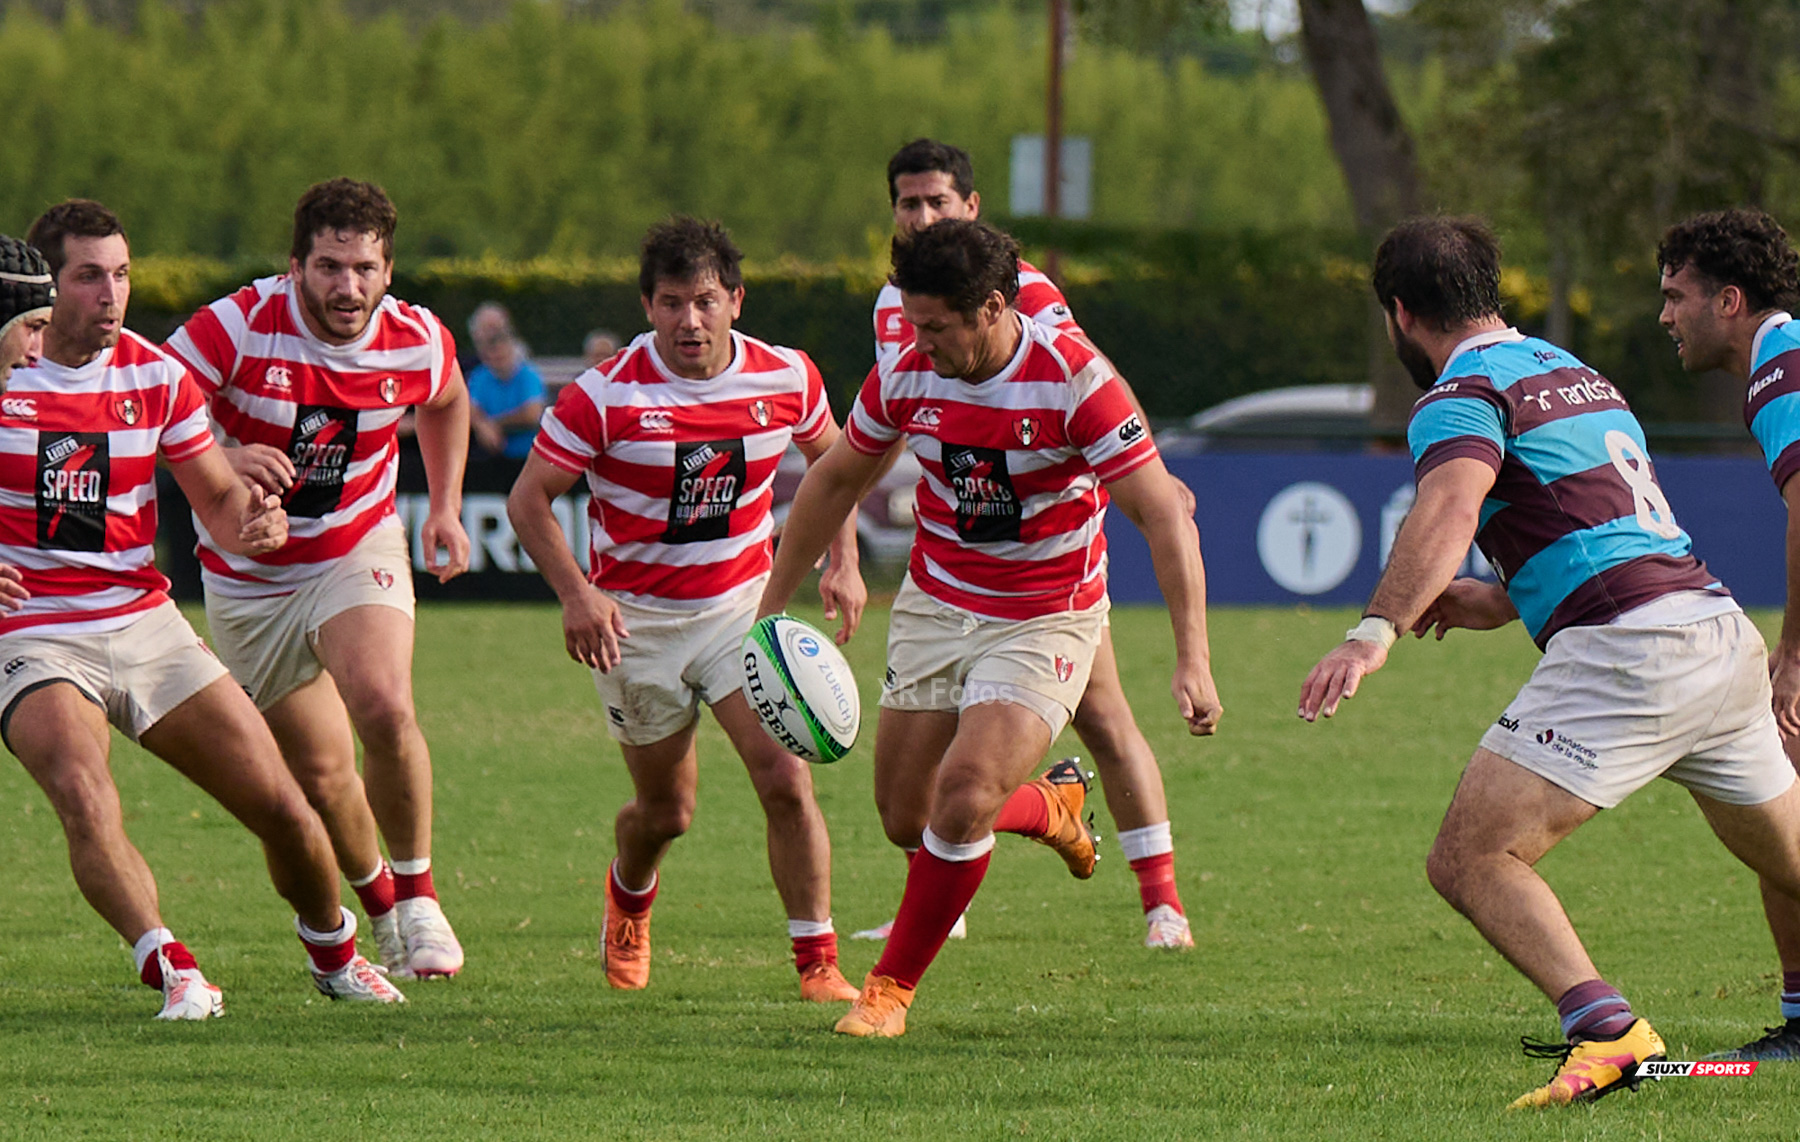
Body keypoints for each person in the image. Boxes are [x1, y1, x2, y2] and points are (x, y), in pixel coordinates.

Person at [1298, 215, 1800, 1108]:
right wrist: (1498, 597)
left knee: (1471, 857)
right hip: (1717, 638)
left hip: (1630, 653)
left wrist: (1371, 633)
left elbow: (1450, 510)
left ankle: (1609, 1034)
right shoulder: (1577, 375)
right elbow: (1608, 522)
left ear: (1400, 315)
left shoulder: (1461, 391)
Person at [762, 218, 1219, 1038]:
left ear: (994, 308)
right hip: (937, 602)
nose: (918, 341)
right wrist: (767, 607)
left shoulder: (1077, 381)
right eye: (912, 322)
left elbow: (1162, 516)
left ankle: (889, 991)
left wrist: (1194, 660)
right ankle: (1050, 810)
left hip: (1048, 611)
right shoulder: (906, 369)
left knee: (965, 795)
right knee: (907, 816)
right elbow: (833, 481)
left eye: (935, 326)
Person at [2, 203, 402, 1015]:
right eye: (88, 277)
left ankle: (334, 954)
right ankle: (172, 966)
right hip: (33, 631)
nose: (110, 294)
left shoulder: (155, 375)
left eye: (121, 274)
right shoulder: (9, 374)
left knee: (286, 809)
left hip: (144, 622)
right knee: (83, 791)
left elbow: (220, 507)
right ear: (46, 287)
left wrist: (258, 526)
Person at [507, 217, 866, 1002]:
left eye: (705, 301)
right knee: (667, 812)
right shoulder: (602, 397)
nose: (689, 321)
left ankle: (819, 963)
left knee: (785, 779)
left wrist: (844, 560)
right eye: (671, 303)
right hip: (633, 625)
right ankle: (629, 898)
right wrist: (577, 594)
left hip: (741, 611)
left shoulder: (788, 378)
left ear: (735, 301)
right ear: (648, 306)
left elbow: (836, 466)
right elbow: (529, 501)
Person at [858, 137, 1200, 949]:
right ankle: (981, 864)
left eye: (938, 201)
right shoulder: (896, 307)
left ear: (971, 207)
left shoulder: (1023, 294)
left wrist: (1143, 469)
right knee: (921, 799)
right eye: (909, 203)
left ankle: (1164, 905)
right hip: (957, 550)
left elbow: (1087, 379)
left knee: (1107, 721)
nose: (923, 215)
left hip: (1050, 553)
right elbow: (895, 416)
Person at [163, 179, 472, 980]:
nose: (349, 287)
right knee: (326, 778)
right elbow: (149, 407)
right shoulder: (236, 326)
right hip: (247, 577)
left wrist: (442, 507)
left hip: (353, 544)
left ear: (389, 269)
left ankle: (419, 899)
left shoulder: (414, 337)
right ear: (295, 266)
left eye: (365, 268)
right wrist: (224, 462)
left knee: (384, 703)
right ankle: (381, 913)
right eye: (330, 267)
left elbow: (445, 399)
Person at [1656, 208, 1800, 1060]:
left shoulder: (1781, 368)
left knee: (1776, 786)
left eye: (1677, 297)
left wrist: (1794, 658)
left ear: (1731, 301)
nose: (1666, 315)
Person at [466, 302, 546, 460]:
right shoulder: (479, 376)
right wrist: (482, 425)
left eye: (502, 352)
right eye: (492, 353)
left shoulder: (528, 374)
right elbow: (470, 410)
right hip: (492, 455)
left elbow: (532, 414)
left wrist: (493, 423)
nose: (497, 357)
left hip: (528, 456)